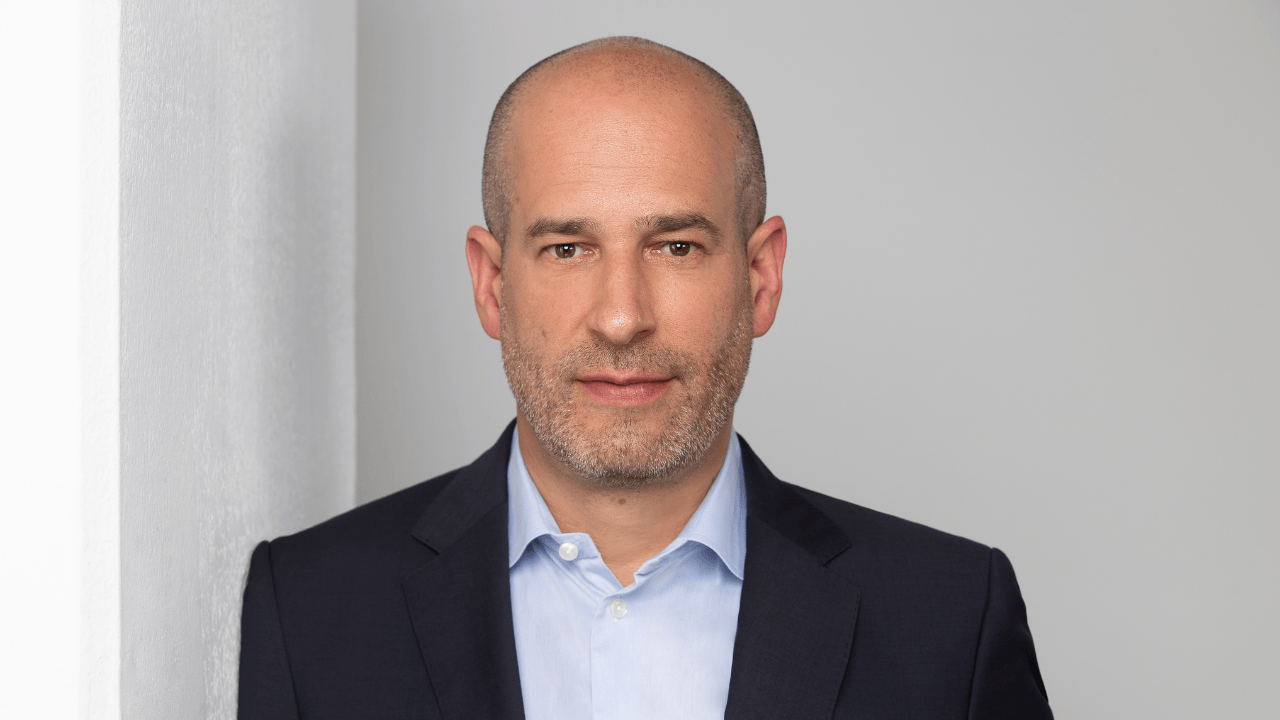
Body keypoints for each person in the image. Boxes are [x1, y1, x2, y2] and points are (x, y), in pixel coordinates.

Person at [238, 37, 1052, 720]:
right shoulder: (308, 611)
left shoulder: (950, 624)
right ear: (491, 285)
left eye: (675, 247)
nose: (622, 317)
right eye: (567, 248)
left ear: (761, 278)